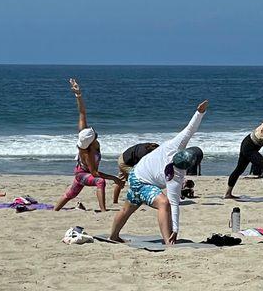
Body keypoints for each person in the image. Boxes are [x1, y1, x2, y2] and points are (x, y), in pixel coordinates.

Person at [109, 100, 208, 245]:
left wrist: (176, 228)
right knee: (163, 203)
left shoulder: (177, 175)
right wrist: (199, 113)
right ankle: (168, 241)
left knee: (127, 209)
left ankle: (113, 236)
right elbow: (189, 129)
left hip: (137, 175)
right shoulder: (175, 146)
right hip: (140, 179)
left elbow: (176, 204)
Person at [54, 79, 124, 212]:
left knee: (71, 194)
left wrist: (78, 95)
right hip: (82, 174)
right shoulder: (88, 153)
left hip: (80, 173)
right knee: (100, 181)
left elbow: (82, 113)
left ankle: (54, 210)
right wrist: (114, 178)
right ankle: (103, 210)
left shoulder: (84, 136)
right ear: (92, 140)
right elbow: (95, 173)